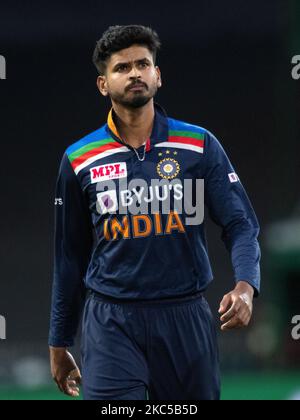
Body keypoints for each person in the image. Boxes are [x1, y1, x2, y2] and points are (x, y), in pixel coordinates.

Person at [49, 25, 261, 400]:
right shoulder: (79, 159)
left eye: (143, 64)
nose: (134, 73)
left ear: (157, 76)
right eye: (122, 67)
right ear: (103, 84)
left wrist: (246, 286)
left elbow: (240, 223)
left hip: (185, 318)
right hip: (111, 321)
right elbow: (70, 257)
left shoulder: (199, 145)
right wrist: (59, 341)